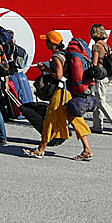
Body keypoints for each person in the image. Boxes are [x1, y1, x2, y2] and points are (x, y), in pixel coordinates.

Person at [24, 31, 94, 160]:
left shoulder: (57, 57)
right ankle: (87, 150)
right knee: (75, 119)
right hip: (69, 91)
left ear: (52, 43)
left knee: (50, 120)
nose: (45, 42)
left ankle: (40, 149)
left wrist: (45, 70)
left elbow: (59, 76)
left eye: (47, 41)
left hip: (60, 93)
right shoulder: (66, 54)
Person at [90, 24, 112, 134]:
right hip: (107, 76)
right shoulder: (106, 45)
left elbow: (94, 63)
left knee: (100, 101)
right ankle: (97, 126)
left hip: (100, 76)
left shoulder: (96, 46)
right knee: (98, 101)